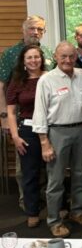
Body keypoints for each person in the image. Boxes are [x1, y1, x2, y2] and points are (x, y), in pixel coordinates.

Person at [32, 41, 82, 237]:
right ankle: (54, 220)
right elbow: (40, 112)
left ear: (76, 56)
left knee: (80, 174)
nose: (68, 60)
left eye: (71, 56)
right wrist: (44, 143)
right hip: (57, 133)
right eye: (63, 56)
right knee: (56, 179)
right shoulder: (47, 80)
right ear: (56, 57)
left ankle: (77, 212)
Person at [6, 45, 47, 228]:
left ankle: (58, 208)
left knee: (54, 172)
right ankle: (32, 212)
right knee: (30, 174)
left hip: (50, 129)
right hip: (28, 132)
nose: (33, 61)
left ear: (41, 58)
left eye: (36, 57)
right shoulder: (17, 81)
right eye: (29, 58)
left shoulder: (50, 77)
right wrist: (15, 136)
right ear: (23, 61)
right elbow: (12, 111)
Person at [0, 16, 54, 133]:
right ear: (23, 30)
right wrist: (4, 118)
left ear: (44, 32)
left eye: (40, 29)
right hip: (21, 118)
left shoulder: (49, 52)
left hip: (49, 118)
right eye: (32, 28)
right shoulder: (10, 54)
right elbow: (1, 86)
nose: (36, 32)